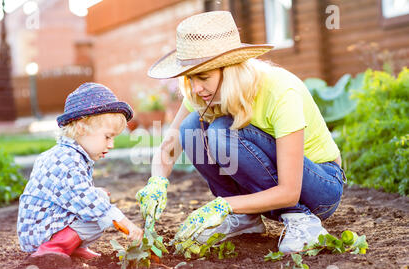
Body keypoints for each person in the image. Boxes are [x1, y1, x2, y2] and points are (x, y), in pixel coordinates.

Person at [136, 11, 346, 253]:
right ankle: (246, 219)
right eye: (190, 78)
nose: (196, 87)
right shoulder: (203, 92)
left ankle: (302, 221)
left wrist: (222, 205)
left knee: (221, 131)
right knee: (191, 127)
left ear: (230, 70)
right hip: (268, 192)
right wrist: (157, 181)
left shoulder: (279, 91)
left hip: (319, 188)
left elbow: (290, 191)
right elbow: (170, 144)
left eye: (203, 77)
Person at [17, 82, 143, 268]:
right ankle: (52, 249)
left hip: (43, 225)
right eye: (107, 137)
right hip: (38, 232)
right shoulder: (67, 160)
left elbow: (74, 194)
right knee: (97, 215)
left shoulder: (69, 153)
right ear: (83, 128)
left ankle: (71, 247)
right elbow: (89, 204)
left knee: (99, 198)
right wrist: (122, 220)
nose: (111, 144)